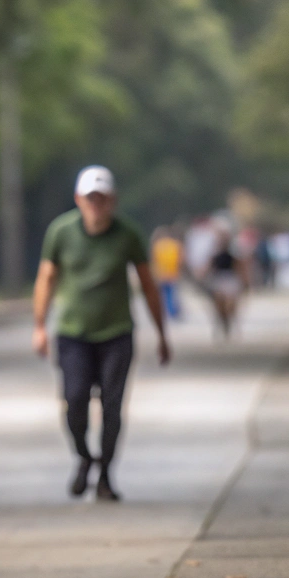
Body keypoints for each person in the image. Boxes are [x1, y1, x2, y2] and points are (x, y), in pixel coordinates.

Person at [33, 165, 169, 501]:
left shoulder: (127, 235)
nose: (97, 205)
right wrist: (40, 326)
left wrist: (162, 333)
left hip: (116, 334)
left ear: (113, 201)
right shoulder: (61, 232)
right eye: (91, 198)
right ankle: (83, 455)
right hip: (73, 334)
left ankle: (106, 474)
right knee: (74, 401)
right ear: (79, 199)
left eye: (103, 198)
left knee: (112, 407)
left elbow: (148, 285)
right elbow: (46, 278)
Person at [205, 229, 250, 338]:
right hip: (219, 279)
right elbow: (210, 268)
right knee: (219, 306)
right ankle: (222, 324)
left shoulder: (235, 253)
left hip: (230, 279)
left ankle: (230, 324)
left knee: (231, 306)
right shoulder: (215, 254)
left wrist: (245, 281)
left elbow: (239, 267)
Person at [150, 227, 184, 321]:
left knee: (164, 295)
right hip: (172, 273)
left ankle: (167, 312)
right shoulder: (174, 244)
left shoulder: (157, 246)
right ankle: (173, 312)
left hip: (161, 274)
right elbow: (179, 260)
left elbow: (154, 261)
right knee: (172, 293)